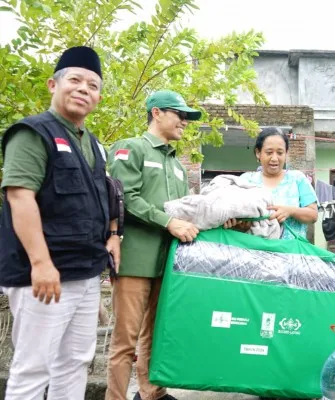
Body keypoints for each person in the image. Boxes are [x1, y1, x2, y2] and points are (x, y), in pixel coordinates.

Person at [0, 46, 120, 399]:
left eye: (93, 85)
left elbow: (103, 198)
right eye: (75, 80)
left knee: (76, 361)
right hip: (43, 274)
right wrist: (41, 263)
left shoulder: (94, 145)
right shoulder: (32, 133)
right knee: (34, 366)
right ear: (53, 85)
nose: (84, 89)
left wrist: (113, 236)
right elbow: (20, 197)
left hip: (83, 272)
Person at [105, 90, 201, 400]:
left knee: (155, 336)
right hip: (135, 260)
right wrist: (169, 222)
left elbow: (185, 210)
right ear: (156, 113)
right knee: (125, 341)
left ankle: (152, 393)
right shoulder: (131, 149)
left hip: (168, 264)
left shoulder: (177, 166)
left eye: (186, 117)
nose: (184, 122)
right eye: (179, 114)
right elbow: (125, 198)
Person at [226, 127, 318, 239]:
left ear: (286, 153)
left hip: (291, 252)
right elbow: (236, 217)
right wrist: (240, 225)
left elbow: (313, 215)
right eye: (269, 152)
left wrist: (291, 211)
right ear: (258, 153)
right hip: (255, 252)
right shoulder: (245, 181)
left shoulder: (297, 179)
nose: (274, 158)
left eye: (280, 153)